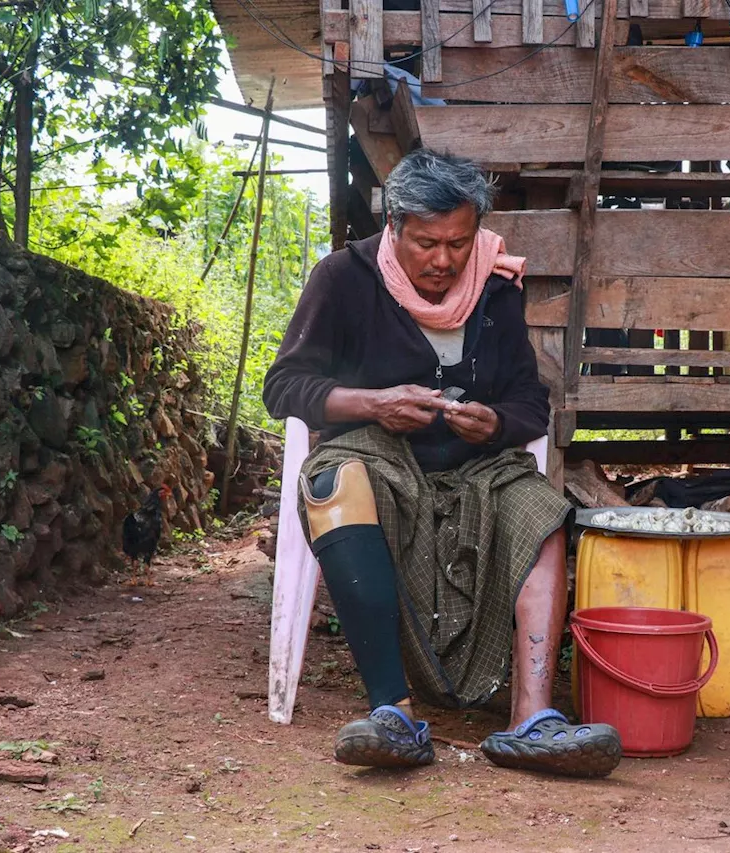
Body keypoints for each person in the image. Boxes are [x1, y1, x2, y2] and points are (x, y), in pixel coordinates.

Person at [262, 148, 622, 778]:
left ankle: (532, 720)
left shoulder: (496, 288)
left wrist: (496, 422)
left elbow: (528, 404)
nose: (444, 260)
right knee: (332, 483)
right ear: (394, 228)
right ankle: (391, 714)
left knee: (541, 508)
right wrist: (373, 404)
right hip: (373, 450)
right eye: (427, 242)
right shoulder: (343, 279)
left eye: (459, 242)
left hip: (475, 468)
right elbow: (285, 387)